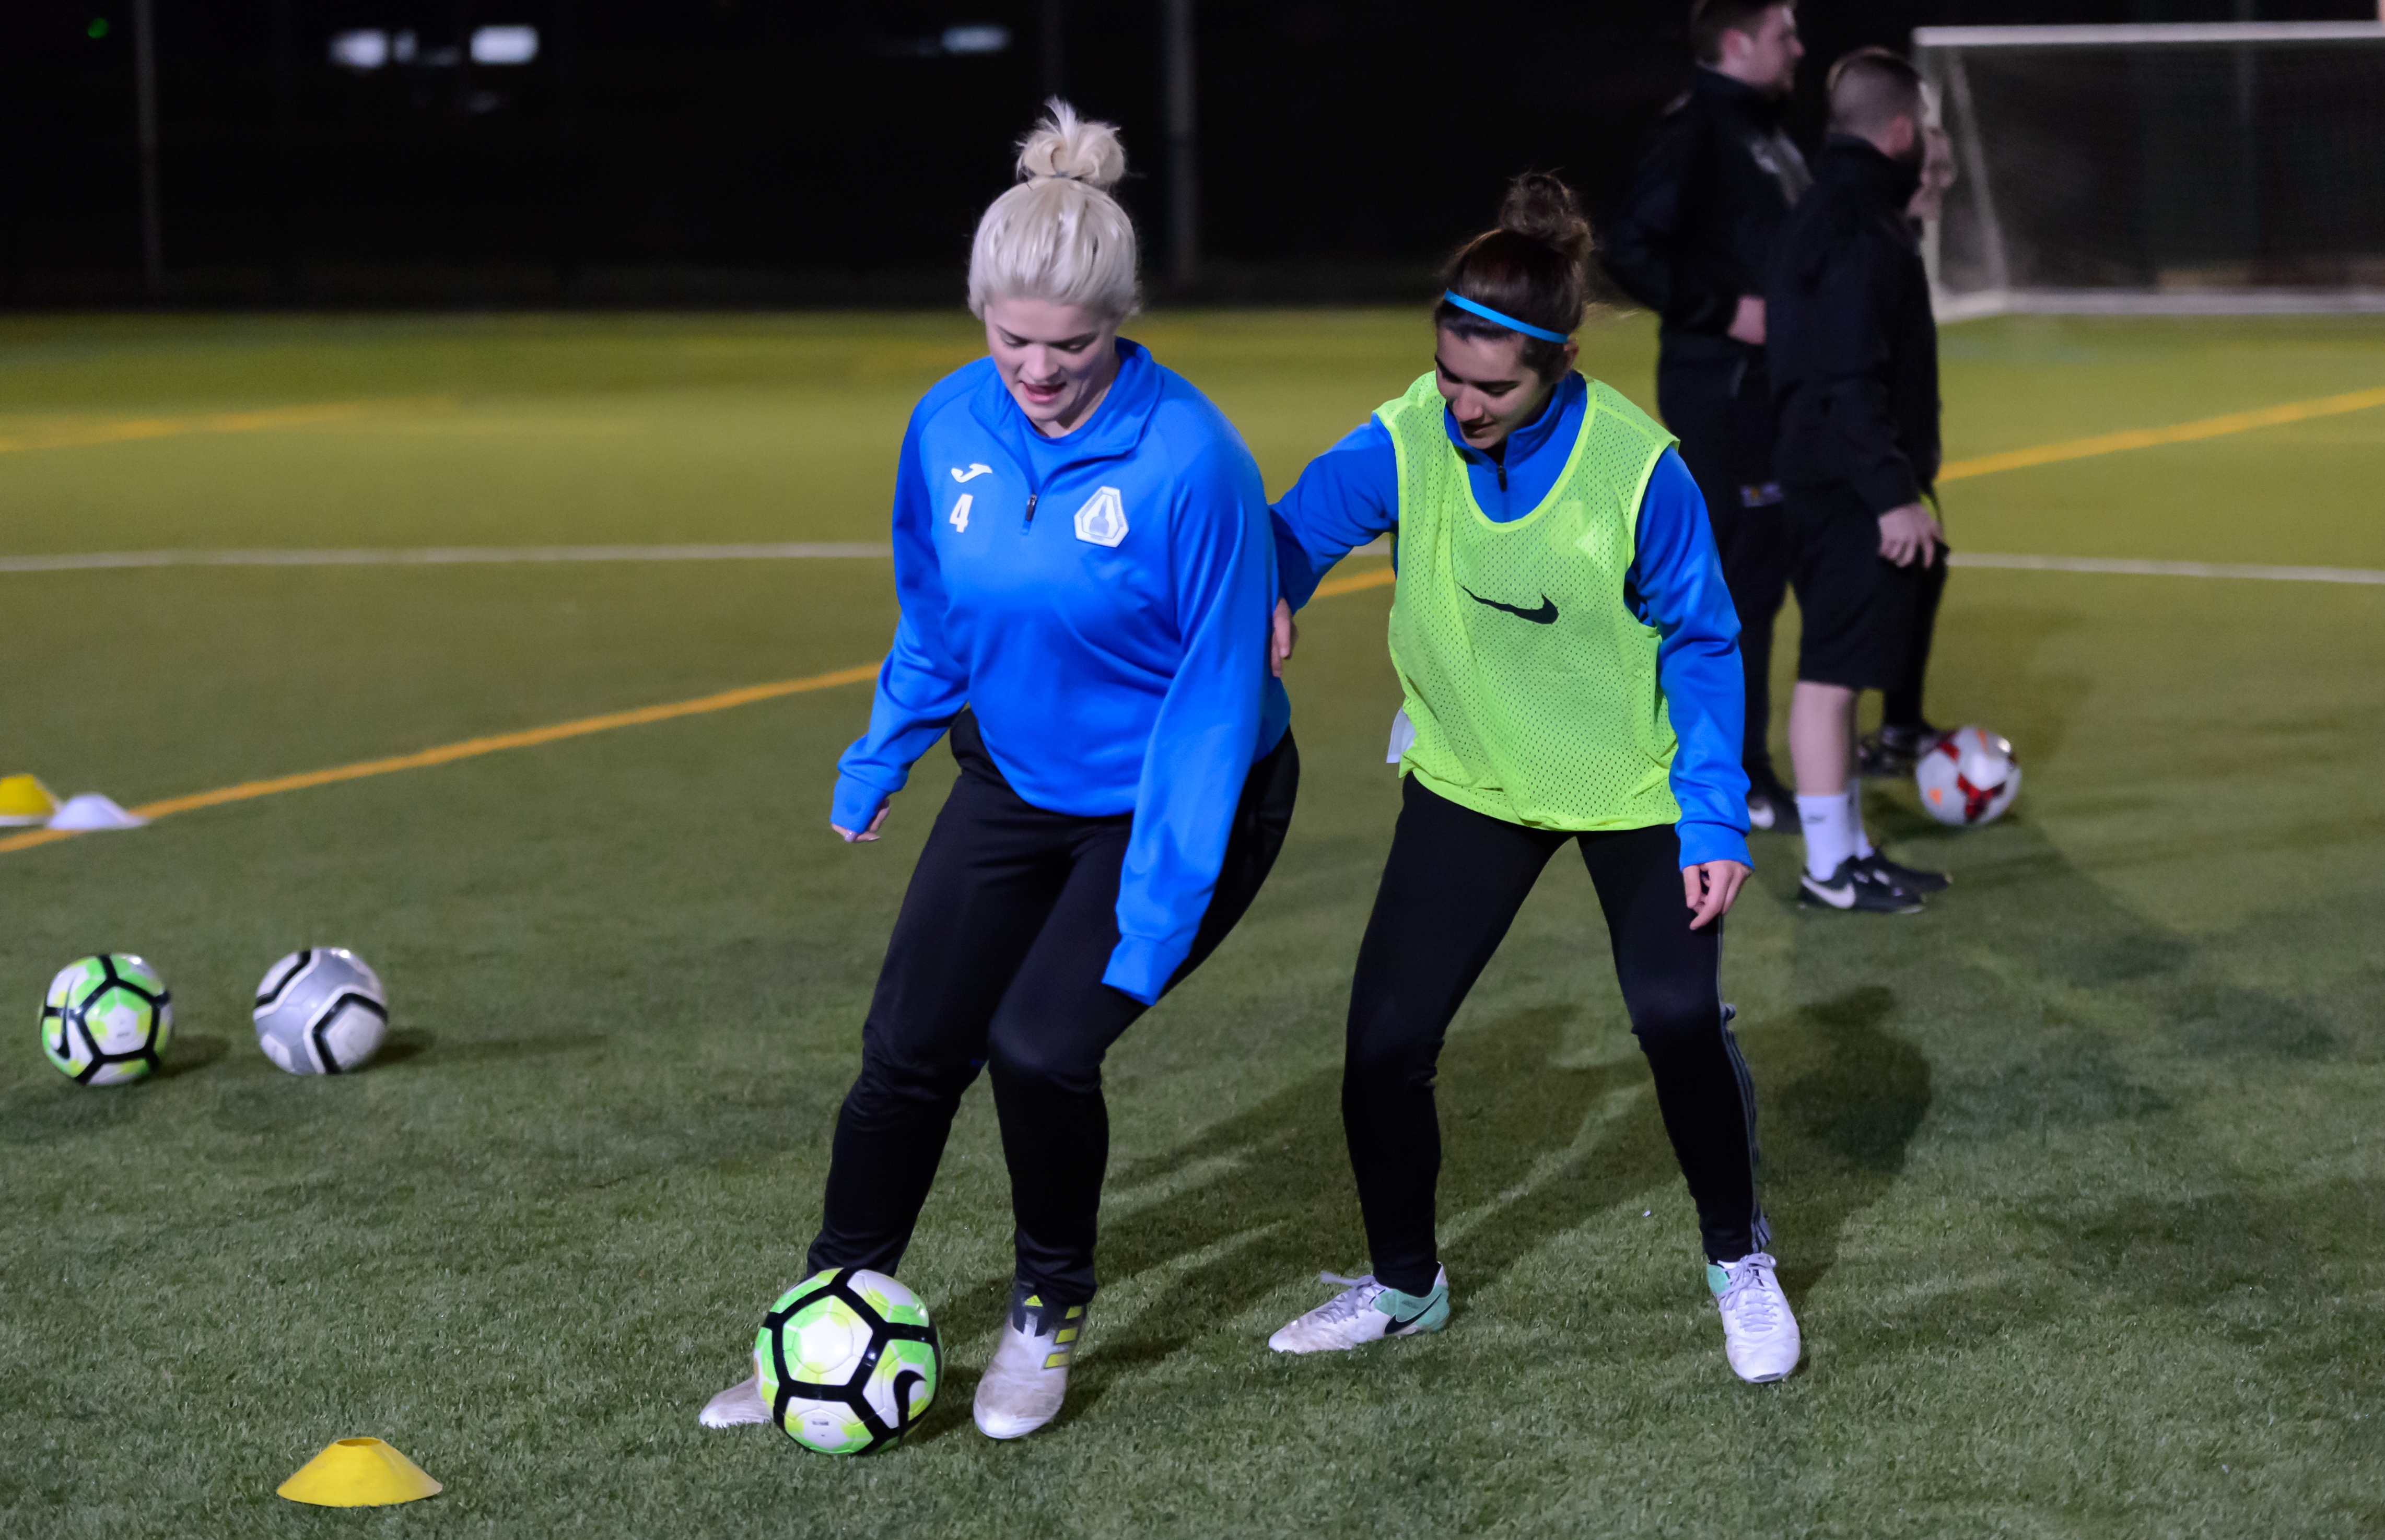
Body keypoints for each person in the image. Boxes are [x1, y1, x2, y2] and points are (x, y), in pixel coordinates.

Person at [699, 101, 1297, 1441]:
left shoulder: (1190, 460)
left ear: (1123, 321)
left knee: (1039, 1047)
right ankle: (825, 1310)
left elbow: (1209, 714)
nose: (1036, 370)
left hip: (1174, 799)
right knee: (907, 1051)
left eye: (1070, 346)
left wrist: (1151, 919)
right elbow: (939, 608)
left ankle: (1047, 1308)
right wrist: (882, 750)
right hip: (1018, 779)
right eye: (1010, 339)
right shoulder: (947, 424)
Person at [1264, 175, 1800, 1385]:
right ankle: (1405, 1284)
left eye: (1491, 387)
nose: (1462, 404)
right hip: (1473, 774)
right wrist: (1270, 595)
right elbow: (1296, 526)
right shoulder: (1411, 430)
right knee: (1383, 1044)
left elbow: (1706, 644)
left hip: (1633, 786)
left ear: (1558, 360)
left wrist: (1712, 814)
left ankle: (1738, 1260)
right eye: (1449, 375)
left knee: (1673, 1017)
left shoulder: (1637, 467)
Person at [1602, 0, 1809, 834]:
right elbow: (1629, 246)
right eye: (1782, 34)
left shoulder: (1763, 128)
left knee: (1759, 576)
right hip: (1722, 388)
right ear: (1736, 42)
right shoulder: (1697, 131)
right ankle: (1735, 774)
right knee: (1734, 585)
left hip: (1768, 390)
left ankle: (1733, 759)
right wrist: (1724, 310)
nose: (1798, 47)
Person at [1767, 49, 1950, 912]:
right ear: (1902, 131)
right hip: (1842, 486)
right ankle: (1829, 869)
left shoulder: (1832, 206)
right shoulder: (1857, 226)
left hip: (1822, 474)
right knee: (1831, 678)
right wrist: (1890, 492)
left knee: (1833, 675)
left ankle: (1845, 855)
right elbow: (1846, 376)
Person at [1860, 124, 1960, 779]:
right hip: (1871, 461)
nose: (1943, 182)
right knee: (1839, 644)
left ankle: (1901, 726)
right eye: (1936, 169)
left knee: (1926, 573)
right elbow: (1855, 376)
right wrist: (1889, 479)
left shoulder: (1901, 242)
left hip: (1902, 458)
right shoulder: (1870, 245)